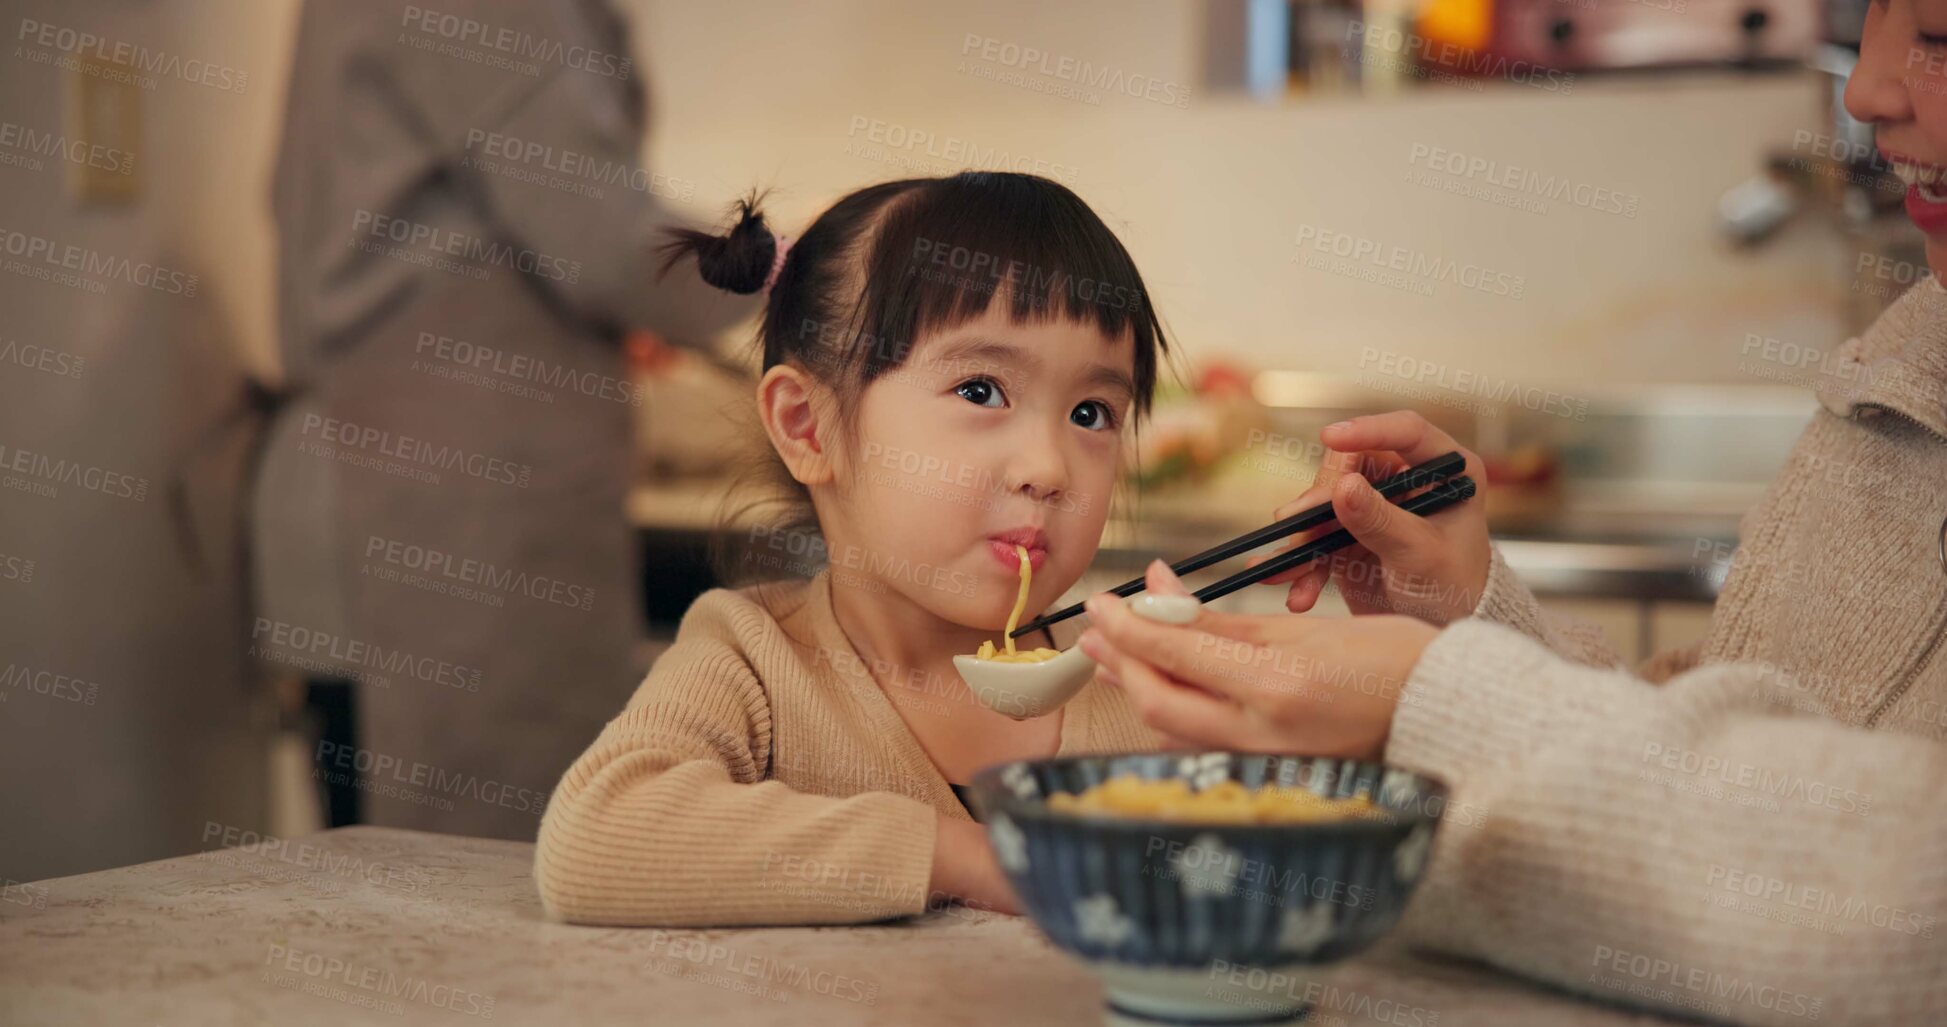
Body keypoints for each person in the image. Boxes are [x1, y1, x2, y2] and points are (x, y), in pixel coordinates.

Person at [1074, 2, 1947, 1022]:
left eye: (1940, 36)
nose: (1864, 92)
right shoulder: (1901, 364)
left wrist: (1439, 698)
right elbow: (1722, 758)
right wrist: (1463, 612)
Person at [532, 172, 1174, 925]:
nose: (1047, 468)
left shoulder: (1138, 683)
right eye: (979, 391)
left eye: (1091, 412)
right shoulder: (753, 658)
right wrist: (969, 857)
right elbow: (596, 839)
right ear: (808, 426)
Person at [262, 0, 746, 839]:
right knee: (473, 874)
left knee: (389, 877)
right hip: (454, 501)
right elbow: (606, 239)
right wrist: (820, 278)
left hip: (383, 477)